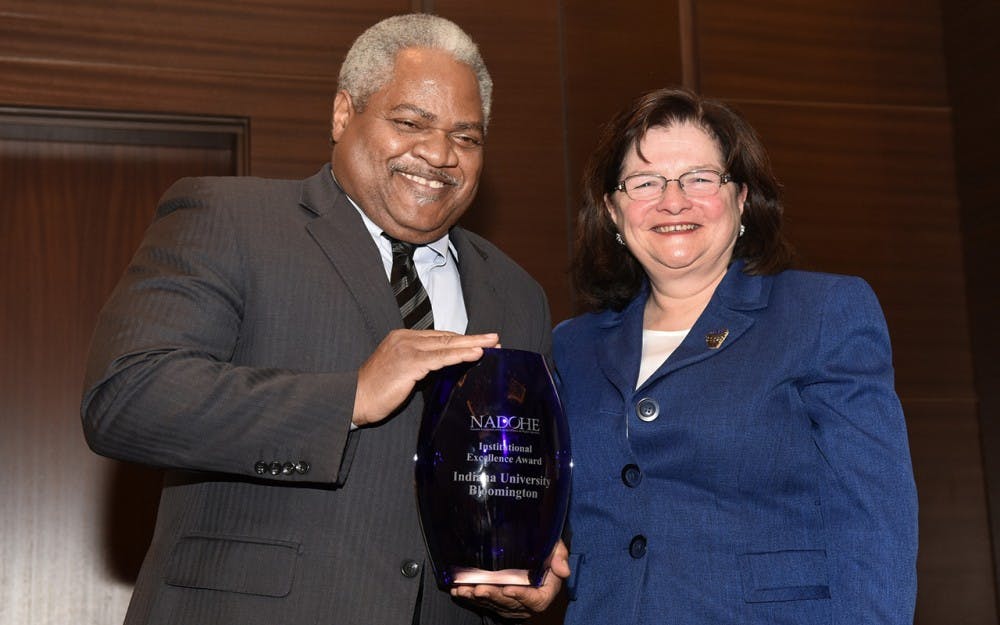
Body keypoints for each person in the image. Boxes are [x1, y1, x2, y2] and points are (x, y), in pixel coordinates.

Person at [81, 13, 567, 625]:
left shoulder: (517, 292)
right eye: (411, 122)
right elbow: (125, 397)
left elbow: (522, 476)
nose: (440, 153)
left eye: (466, 137)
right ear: (343, 114)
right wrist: (349, 398)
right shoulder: (231, 219)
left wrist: (525, 571)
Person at [552, 87, 917, 624]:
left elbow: (875, 520)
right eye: (646, 182)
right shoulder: (571, 346)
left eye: (700, 178)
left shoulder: (821, 312)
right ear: (612, 209)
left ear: (742, 198)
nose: (673, 201)